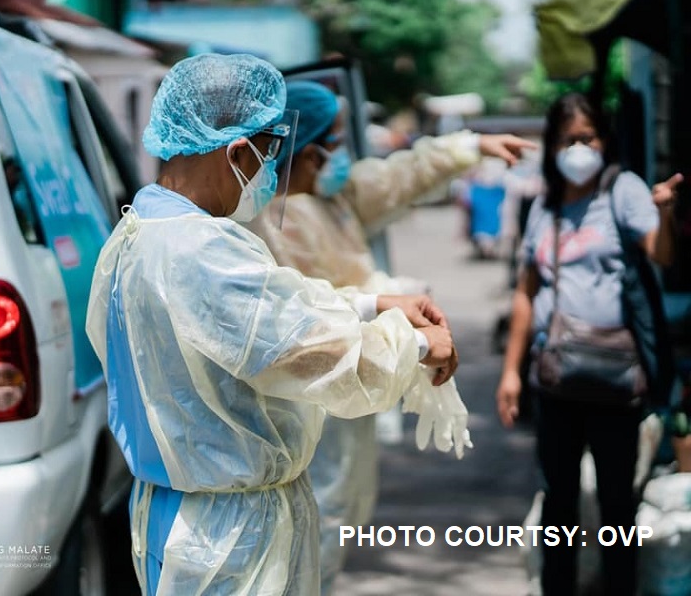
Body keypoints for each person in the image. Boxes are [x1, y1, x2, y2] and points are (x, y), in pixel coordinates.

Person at [85, 53, 461, 596]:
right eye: (266, 158)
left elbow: (273, 306)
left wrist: (372, 304)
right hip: (228, 533)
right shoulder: (200, 248)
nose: (268, 179)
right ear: (238, 152)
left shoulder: (144, 228)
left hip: (190, 514)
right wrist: (418, 345)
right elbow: (301, 349)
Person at [247, 80, 535, 594]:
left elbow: (396, 177)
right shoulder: (276, 219)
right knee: (324, 509)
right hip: (316, 392)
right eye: (335, 140)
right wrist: (397, 305)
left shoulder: (335, 200)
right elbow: (317, 304)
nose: (343, 153)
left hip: (354, 377)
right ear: (309, 150)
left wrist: (467, 149)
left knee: (342, 508)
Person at [495, 91, 680, 596]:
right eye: (567, 140)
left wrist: (664, 213)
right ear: (551, 146)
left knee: (619, 502)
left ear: (604, 140)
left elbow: (660, 255)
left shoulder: (623, 191)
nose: (578, 149)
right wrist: (511, 373)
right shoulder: (546, 206)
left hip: (617, 378)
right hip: (555, 379)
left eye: (587, 138)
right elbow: (525, 294)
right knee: (559, 501)